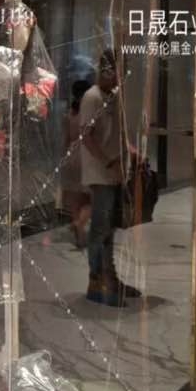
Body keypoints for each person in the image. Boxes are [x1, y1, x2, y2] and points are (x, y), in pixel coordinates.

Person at [79, 49, 139, 306]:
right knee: (100, 229)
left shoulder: (113, 96)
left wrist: (129, 152)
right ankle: (97, 281)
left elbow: (115, 132)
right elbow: (86, 136)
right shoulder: (92, 97)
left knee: (110, 229)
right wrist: (109, 161)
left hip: (114, 173)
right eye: (119, 70)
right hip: (101, 174)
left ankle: (110, 278)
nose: (122, 76)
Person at [61, 79, 92, 248]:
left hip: (71, 156)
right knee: (93, 197)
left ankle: (79, 234)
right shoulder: (91, 113)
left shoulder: (69, 114)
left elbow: (66, 140)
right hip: (87, 156)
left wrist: (63, 158)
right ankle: (80, 223)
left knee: (75, 198)